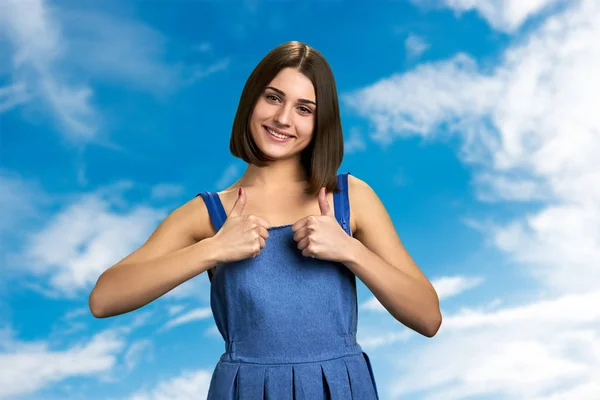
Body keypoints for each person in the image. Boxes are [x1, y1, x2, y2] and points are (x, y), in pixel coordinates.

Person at [89, 41, 442, 399]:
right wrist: (213, 249)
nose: (283, 119)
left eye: (304, 108)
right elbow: (104, 299)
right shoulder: (207, 214)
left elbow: (428, 318)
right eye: (273, 98)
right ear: (251, 100)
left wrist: (350, 250)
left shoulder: (350, 198)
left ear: (321, 123)